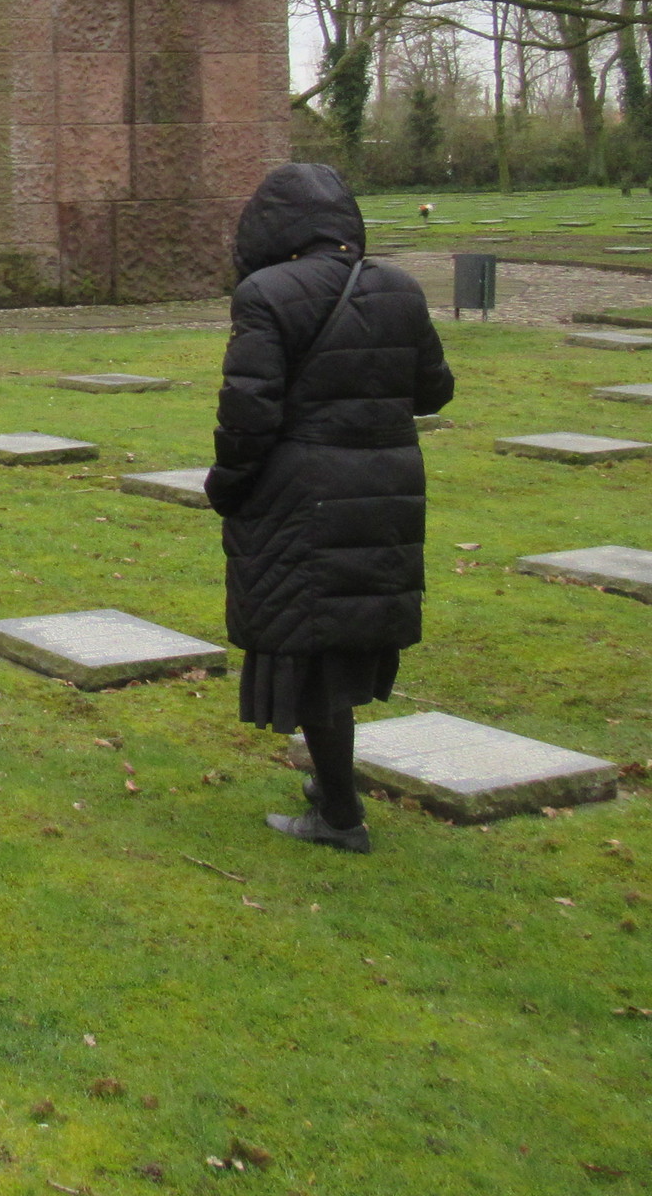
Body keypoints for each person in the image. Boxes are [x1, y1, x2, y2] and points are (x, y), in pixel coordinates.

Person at [206, 162, 454, 853]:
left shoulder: (265, 294)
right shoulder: (400, 287)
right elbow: (434, 390)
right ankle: (332, 787)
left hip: (303, 492)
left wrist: (227, 485)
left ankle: (341, 816)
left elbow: (249, 412)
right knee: (340, 640)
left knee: (310, 647)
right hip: (386, 487)